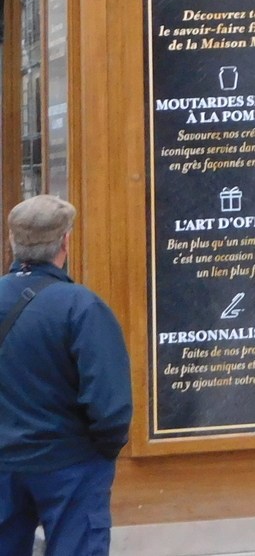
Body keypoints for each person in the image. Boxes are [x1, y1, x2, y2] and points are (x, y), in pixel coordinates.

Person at [0, 196, 132, 556]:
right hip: (70, 463)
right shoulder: (81, 306)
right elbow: (110, 404)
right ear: (65, 242)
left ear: (13, 241)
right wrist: (102, 452)